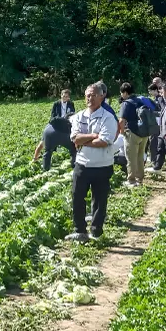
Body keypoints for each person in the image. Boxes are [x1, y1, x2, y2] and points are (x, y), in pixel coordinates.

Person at [68, 83, 118, 242]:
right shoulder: (79, 116)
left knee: (99, 199)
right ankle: (80, 231)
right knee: (77, 196)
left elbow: (104, 141)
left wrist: (84, 140)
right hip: (82, 164)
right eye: (87, 95)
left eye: (93, 95)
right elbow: (75, 138)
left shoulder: (108, 117)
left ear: (102, 96)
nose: (90, 98)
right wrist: (93, 135)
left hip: (102, 165)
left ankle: (96, 232)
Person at [33, 89, 77, 170]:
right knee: (43, 143)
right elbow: (52, 117)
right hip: (56, 124)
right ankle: (35, 158)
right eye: (63, 96)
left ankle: (73, 165)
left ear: (69, 98)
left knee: (71, 144)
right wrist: (62, 119)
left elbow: (73, 114)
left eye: (66, 96)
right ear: (61, 96)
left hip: (66, 125)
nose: (64, 98)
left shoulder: (71, 104)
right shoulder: (56, 104)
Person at [119, 82, 148, 187]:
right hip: (144, 133)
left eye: (122, 93)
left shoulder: (126, 103)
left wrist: (122, 132)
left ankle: (131, 180)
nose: (121, 95)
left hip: (133, 132)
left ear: (125, 93)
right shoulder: (140, 100)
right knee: (140, 156)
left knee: (131, 157)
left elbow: (121, 121)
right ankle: (140, 178)